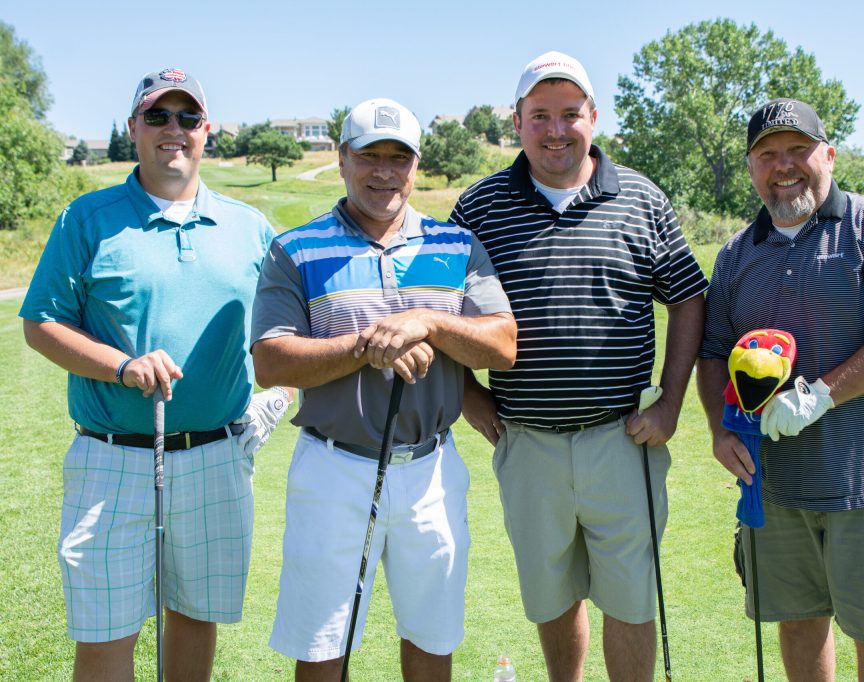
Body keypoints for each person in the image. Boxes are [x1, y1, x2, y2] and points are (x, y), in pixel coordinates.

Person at [19, 68, 290, 681]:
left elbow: (285, 329)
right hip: (112, 461)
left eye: (187, 118)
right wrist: (120, 365)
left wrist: (280, 393)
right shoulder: (87, 219)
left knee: (196, 619)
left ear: (206, 131)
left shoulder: (249, 228)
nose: (175, 130)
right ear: (134, 128)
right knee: (106, 631)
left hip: (218, 458)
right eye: (159, 117)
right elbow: (41, 324)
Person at [450, 52, 707, 681]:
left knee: (630, 598)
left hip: (622, 439)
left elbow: (688, 296)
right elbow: (438, 310)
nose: (556, 129)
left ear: (594, 117)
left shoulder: (641, 198)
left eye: (570, 114)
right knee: (552, 596)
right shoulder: (478, 207)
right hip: (527, 442)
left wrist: (671, 403)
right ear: (517, 122)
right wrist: (470, 400)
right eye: (540, 115)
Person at [250, 97, 516, 682]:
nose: (384, 172)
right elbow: (271, 360)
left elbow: (501, 345)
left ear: (415, 166)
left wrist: (432, 322)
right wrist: (368, 344)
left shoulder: (456, 246)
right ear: (342, 159)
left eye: (399, 158)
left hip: (431, 471)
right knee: (324, 644)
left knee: (431, 635)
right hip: (332, 467)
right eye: (370, 156)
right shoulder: (295, 249)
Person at [696, 98, 864, 682]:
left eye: (798, 150)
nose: (784, 166)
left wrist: (819, 396)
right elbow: (713, 354)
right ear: (752, 168)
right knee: (799, 625)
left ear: (827, 154)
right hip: (776, 487)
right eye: (768, 154)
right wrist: (719, 428)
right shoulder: (736, 253)